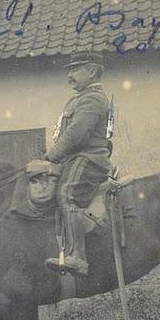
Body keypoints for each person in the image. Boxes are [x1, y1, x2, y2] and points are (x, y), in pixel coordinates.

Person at [44, 51, 112, 277]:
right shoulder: (79, 99)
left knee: (66, 194)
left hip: (88, 159)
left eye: (75, 69)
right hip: (75, 159)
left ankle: (79, 258)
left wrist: (51, 156)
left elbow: (77, 134)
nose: (69, 76)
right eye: (68, 71)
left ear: (92, 71)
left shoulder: (93, 99)